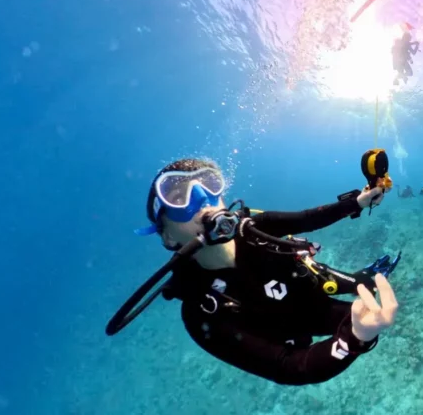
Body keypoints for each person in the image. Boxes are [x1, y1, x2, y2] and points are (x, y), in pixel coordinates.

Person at [109, 158, 401, 386]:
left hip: (313, 289)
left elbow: (307, 219)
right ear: (167, 237)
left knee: (359, 284)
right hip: (298, 325)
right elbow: (290, 367)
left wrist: (357, 202)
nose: (202, 200)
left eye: (209, 185)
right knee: (364, 316)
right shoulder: (200, 313)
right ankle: (364, 283)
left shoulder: (254, 227)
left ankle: (364, 279)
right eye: (178, 197)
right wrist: (356, 338)